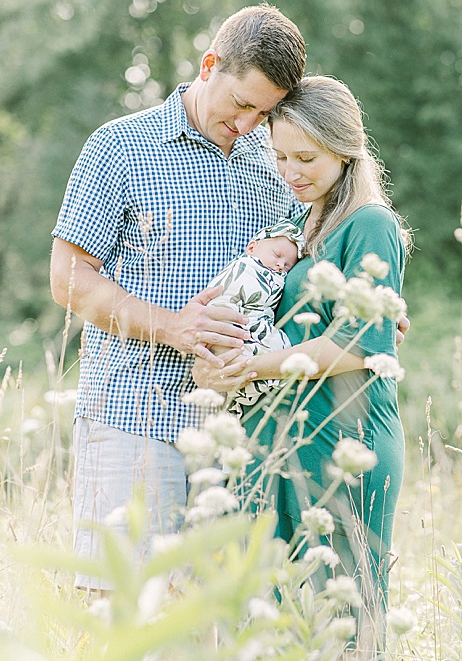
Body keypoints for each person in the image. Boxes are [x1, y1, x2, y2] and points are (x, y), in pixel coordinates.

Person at [49, 4, 307, 590]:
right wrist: (174, 328)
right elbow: (68, 277)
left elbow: (307, 264)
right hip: (132, 418)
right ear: (209, 64)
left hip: (239, 432)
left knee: (213, 622)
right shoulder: (120, 146)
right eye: (241, 104)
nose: (247, 123)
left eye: (263, 113)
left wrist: (369, 309)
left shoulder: (275, 166)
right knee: (122, 612)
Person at [193, 75, 411, 654]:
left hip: (343, 437)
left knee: (340, 611)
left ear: (346, 150)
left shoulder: (369, 223)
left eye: (307, 158)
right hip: (284, 439)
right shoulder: (305, 225)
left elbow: (357, 344)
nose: (292, 171)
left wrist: (251, 366)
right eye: (282, 156)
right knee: (275, 615)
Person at [205, 220, 305, 416]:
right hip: (238, 326)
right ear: (252, 247)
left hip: (259, 326)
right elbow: (223, 298)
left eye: (287, 266)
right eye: (277, 256)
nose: (280, 265)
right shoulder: (245, 267)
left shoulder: (275, 275)